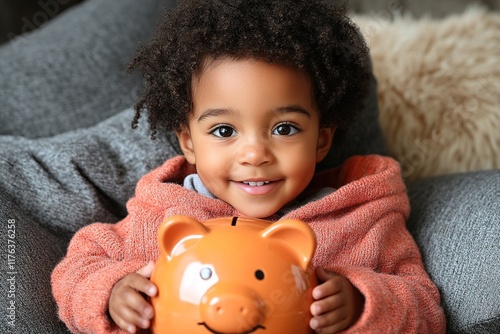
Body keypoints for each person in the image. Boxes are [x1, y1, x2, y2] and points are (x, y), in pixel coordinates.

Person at [51, 0, 446, 333]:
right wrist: (112, 292)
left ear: (321, 139)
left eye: (284, 128)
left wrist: (363, 302)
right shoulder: (161, 214)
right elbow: (77, 267)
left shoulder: (361, 220)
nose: (255, 154)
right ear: (188, 141)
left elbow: (425, 307)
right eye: (224, 130)